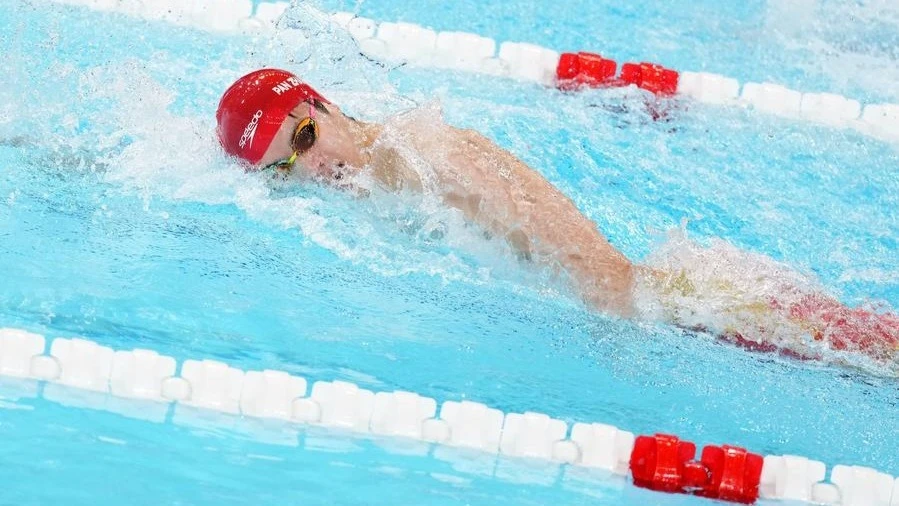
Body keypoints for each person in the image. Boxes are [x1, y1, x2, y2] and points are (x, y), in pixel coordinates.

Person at [216, 68, 899, 366]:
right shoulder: (381, 177)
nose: (311, 169)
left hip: (674, 302)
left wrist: (620, 328)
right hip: (663, 298)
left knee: (869, 351)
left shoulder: (425, 152)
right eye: (284, 168)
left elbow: (586, 257)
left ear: (327, 107)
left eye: (304, 139)